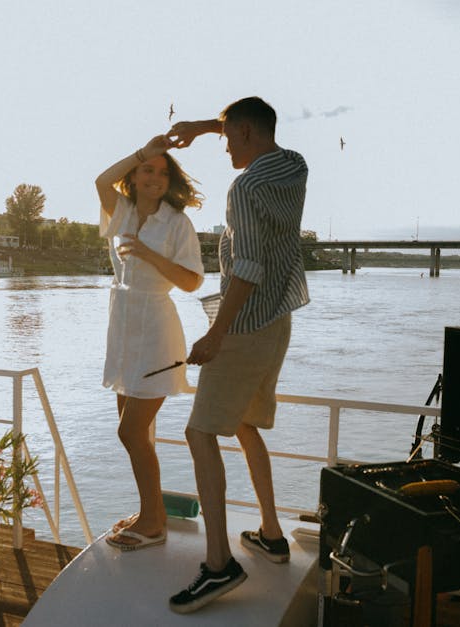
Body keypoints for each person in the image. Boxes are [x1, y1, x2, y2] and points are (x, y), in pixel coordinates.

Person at [166, 97, 310, 613]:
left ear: (248, 133)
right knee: (246, 424)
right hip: (278, 320)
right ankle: (271, 534)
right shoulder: (294, 166)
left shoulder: (246, 187)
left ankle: (219, 564)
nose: (223, 144)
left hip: (244, 325)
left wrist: (215, 335)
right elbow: (250, 122)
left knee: (200, 433)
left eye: (228, 137)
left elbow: (245, 267)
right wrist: (203, 126)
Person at [96, 133, 205, 550]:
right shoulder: (120, 209)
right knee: (135, 433)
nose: (155, 177)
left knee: (131, 431)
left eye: (162, 172)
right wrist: (145, 149)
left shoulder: (176, 222)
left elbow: (193, 281)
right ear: (135, 175)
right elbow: (101, 181)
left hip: (157, 329)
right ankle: (150, 512)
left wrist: (146, 253)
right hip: (123, 327)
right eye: (147, 169)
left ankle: (154, 519)